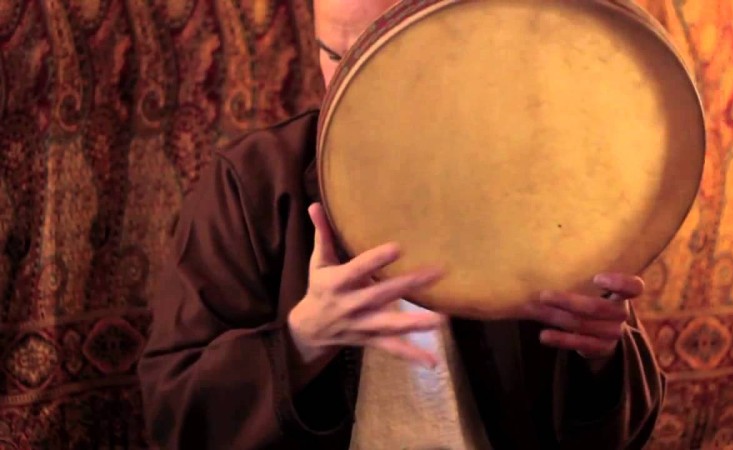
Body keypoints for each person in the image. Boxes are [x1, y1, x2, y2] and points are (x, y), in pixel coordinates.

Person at [137, 0, 666, 448]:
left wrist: (601, 356)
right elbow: (172, 417)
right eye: (333, 56)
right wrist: (300, 344)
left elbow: (624, 433)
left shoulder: (534, 178)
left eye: (377, 57)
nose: (347, 85)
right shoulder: (251, 182)